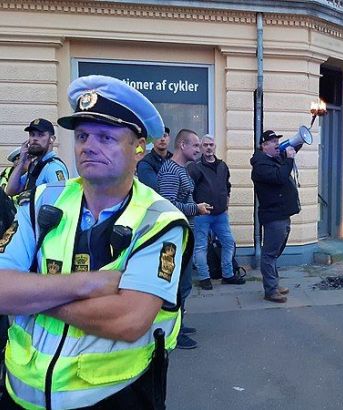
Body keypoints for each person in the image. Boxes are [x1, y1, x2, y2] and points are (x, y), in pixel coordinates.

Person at [0, 74, 192, 409]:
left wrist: (30, 298)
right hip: (19, 396)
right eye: (83, 136)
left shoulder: (159, 220)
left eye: (106, 137)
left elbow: (128, 320)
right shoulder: (45, 200)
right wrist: (90, 284)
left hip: (113, 396)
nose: (89, 145)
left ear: (138, 148)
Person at [158, 129, 211, 350]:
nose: (199, 150)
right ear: (182, 145)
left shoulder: (180, 169)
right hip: (173, 237)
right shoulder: (171, 170)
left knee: (184, 284)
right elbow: (167, 205)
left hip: (182, 234)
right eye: (196, 145)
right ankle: (172, 332)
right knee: (175, 286)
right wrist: (195, 209)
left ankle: (178, 324)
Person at [187, 134, 245, 286]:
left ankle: (228, 274)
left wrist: (226, 206)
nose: (208, 148)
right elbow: (188, 190)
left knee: (228, 243)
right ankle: (204, 278)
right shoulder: (195, 167)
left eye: (211, 145)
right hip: (202, 215)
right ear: (201, 147)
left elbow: (227, 187)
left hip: (221, 215)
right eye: (205, 145)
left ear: (215, 146)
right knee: (201, 246)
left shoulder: (222, 166)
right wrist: (195, 208)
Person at [250, 130, 300, 303]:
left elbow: (289, 152)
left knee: (275, 253)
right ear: (264, 146)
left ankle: (274, 284)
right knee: (269, 254)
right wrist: (290, 159)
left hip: (282, 213)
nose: (277, 143)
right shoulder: (261, 166)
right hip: (273, 215)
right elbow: (279, 177)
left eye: (277, 140)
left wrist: (298, 142)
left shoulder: (274, 159)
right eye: (272, 141)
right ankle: (270, 290)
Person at [4, 118, 69, 197]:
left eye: (40, 135)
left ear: (52, 139)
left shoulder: (53, 167)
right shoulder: (35, 166)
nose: (35, 139)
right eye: (32, 135)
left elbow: (60, 198)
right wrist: (21, 161)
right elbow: (11, 191)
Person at [137, 126, 172, 192]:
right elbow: (155, 188)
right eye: (159, 136)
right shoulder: (145, 163)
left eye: (165, 136)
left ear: (169, 139)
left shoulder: (174, 159)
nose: (162, 139)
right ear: (152, 140)